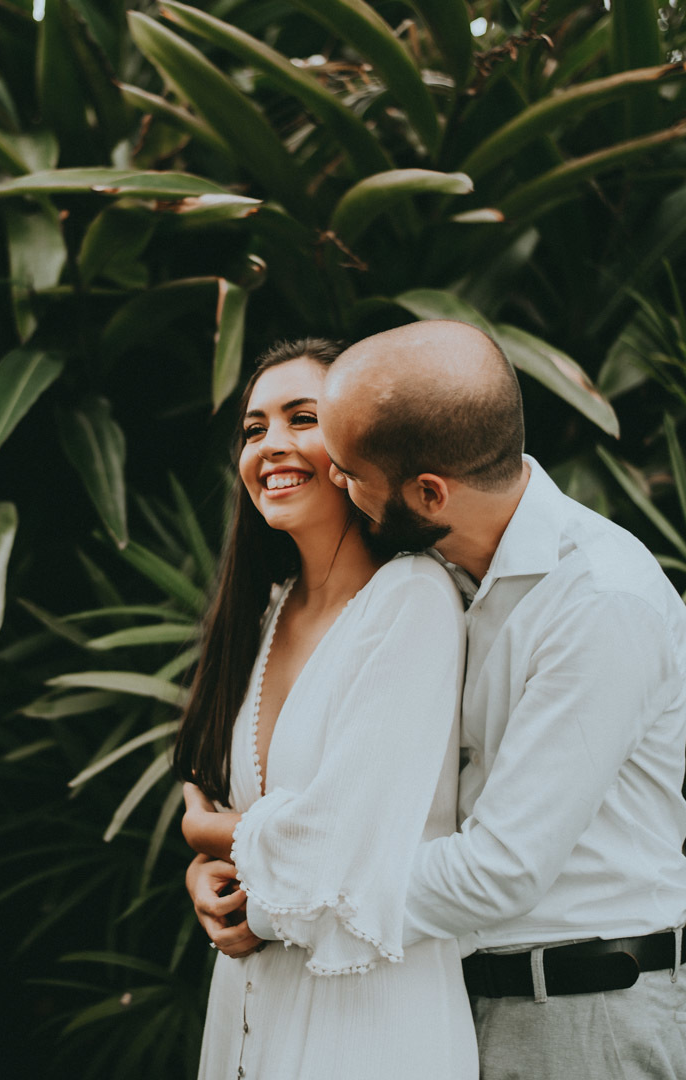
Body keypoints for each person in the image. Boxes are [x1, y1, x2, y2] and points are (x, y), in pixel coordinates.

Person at [311, 319, 686, 1080]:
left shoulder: (600, 602)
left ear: (428, 493)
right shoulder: (432, 579)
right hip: (453, 1002)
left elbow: (501, 869)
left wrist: (297, 902)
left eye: (349, 471)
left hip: (586, 1023)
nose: (335, 483)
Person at [175, 337, 478, 1079]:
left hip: (369, 1020)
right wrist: (206, 874)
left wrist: (207, 829)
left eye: (301, 418)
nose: (271, 445)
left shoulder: (411, 602)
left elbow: (341, 844)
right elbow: (269, 829)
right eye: (254, 429)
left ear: (356, 445)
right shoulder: (265, 612)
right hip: (251, 1010)